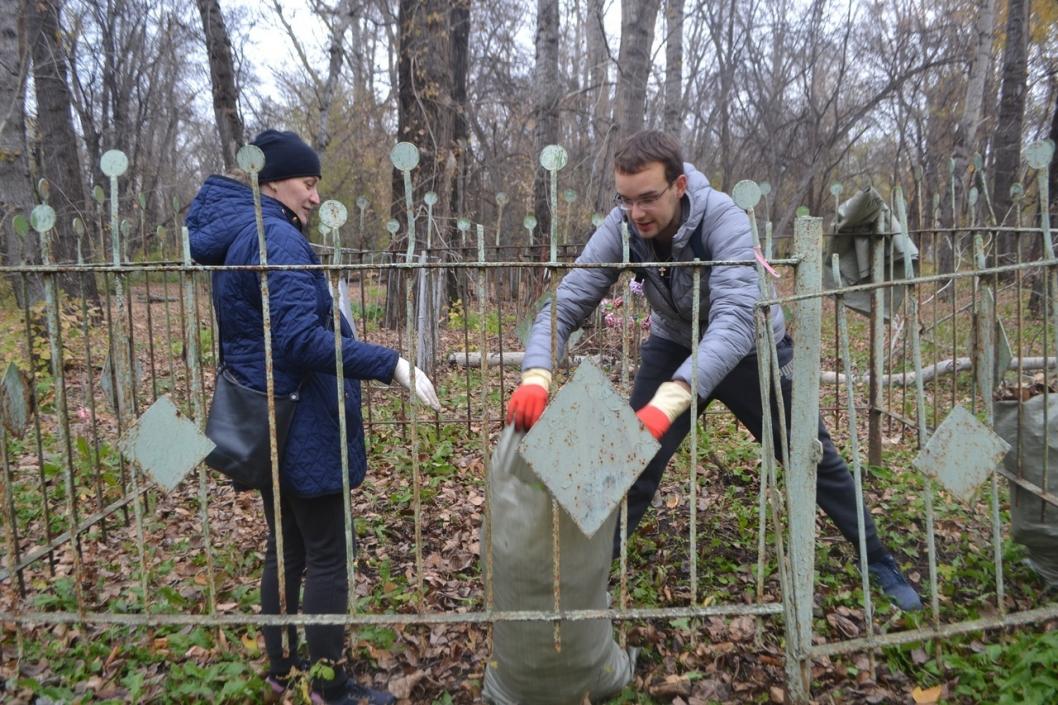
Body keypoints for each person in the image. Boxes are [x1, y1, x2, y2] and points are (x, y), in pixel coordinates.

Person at [506, 130, 921, 611]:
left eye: (648, 198)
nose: (635, 212)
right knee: (631, 461)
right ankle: (590, 571)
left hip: (752, 347)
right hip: (674, 340)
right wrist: (537, 372)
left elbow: (736, 318)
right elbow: (568, 301)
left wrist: (672, 397)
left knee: (809, 454)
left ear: (679, 186)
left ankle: (877, 558)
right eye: (625, 200)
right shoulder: (622, 227)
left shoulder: (722, 218)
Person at [188, 129, 442, 705]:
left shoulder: (246, 234)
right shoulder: (277, 240)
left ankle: (284, 670)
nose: (313, 195)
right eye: (307, 183)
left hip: (273, 417)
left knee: (288, 548)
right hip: (301, 421)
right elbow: (301, 341)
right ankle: (328, 686)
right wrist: (392, 363)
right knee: (326, 553)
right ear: (275, 182)